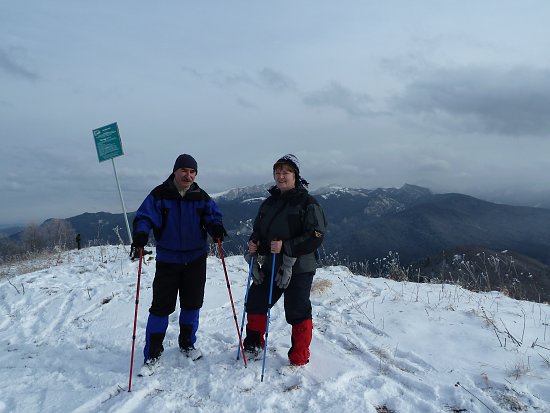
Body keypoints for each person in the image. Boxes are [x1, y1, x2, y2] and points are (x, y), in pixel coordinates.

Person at [131, 153, 226, 367]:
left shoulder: (200, 196)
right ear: (175, 171)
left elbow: (213, 215)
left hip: (196, 258)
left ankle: (187, 343)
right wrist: (141, 234)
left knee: (192, 304)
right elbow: (145, 216)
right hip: (168, 258)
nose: (188, 175)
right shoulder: (160, 194)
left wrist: (216, 227)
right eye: (184, 170)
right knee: (160, 307)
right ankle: (153, 351)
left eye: (192, 172)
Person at [243, 154, 327, 366]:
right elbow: (259, 231)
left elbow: (316, 234)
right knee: (256, 300)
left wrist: (287, 246)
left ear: (296, 175)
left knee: (297, 309)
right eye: (277, 172)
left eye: (286, 172)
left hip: (300, 267)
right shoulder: (269, 203)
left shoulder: (307, 203)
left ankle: (299, 356)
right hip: (272, 264)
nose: (281, 176)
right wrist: (255, 243)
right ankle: (253, 345)